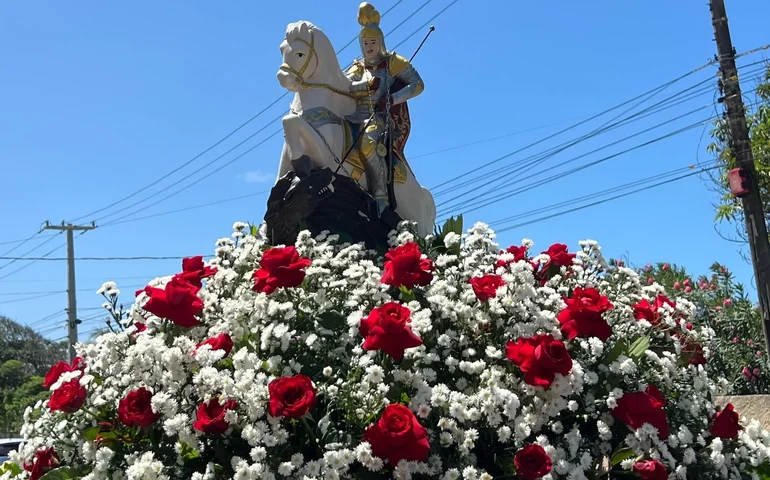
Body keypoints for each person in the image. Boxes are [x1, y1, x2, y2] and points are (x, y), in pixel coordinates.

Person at [346, 2, 425, 214]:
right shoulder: (356, 67)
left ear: (380, 42)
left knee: (368, 142)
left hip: (379, 118)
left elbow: (418, 84)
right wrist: (361, 85)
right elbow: (345, 86)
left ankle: (380, 195)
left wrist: (392, 98)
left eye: (372, 42)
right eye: (365, 43)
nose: (368, 47)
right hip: (354, 115)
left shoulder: (393, 62)